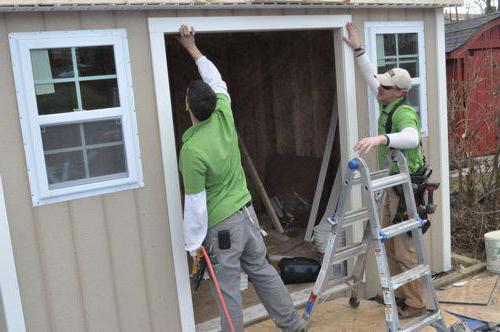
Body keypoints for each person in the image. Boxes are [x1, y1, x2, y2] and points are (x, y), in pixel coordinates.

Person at [176, 25, 308, 332]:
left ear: (187, 108)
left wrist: (193, 244)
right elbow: (216, 79)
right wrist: (192, 48)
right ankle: (292, 325)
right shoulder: (223, 114)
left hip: (222, 228)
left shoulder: (192, 150)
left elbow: (195, 203)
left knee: (227, 292)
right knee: (262, 271)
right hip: (247, 217)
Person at [343, 22, 427, 319]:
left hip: (405, 191)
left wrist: (382, 138)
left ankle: (416, 304)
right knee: (390, 247)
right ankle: (402, 297)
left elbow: (413, 138)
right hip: (392, 186)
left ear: (400, 93)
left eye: (386, 87)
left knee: (403, 251)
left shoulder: (403, 112)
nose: (380, 88)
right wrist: (358, 50)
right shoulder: (388, 103)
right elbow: (371, 79)